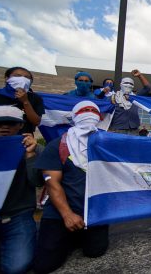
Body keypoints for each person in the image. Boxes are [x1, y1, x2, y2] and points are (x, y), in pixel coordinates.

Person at [33, 101, 109, 273]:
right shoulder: (58, 145)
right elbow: (51, 182)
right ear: (74, 117)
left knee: (95, 251)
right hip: (60, 213)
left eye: (93, 111)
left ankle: (75, 237)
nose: (89, 113)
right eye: (84, 110)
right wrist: (67, 215)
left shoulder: (107, 143)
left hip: (94, 213)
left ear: (99, 117)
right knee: (45, 265)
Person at [0, 106, 43, 273]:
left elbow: (37, 182)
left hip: (17, 216)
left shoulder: (32, 148)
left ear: (20, 125)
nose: (4, 127)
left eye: (11, 123)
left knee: (16, 267)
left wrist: (30, 156)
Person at [0, 66, 45, 138]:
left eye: (27, 77)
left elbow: (36, 122)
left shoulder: (35, 98)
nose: (22, 79)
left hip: (22, 142)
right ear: (7, 78)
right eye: (18, 76)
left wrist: (25, 101)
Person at [108, 70, 151, 135]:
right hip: (117, 129)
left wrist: (140, 75)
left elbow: (147, 88)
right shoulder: (113, 97)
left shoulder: (135, 97)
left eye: (131, 84)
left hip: (134, 130)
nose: (128, 85)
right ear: (121, 84)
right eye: (126, 83)